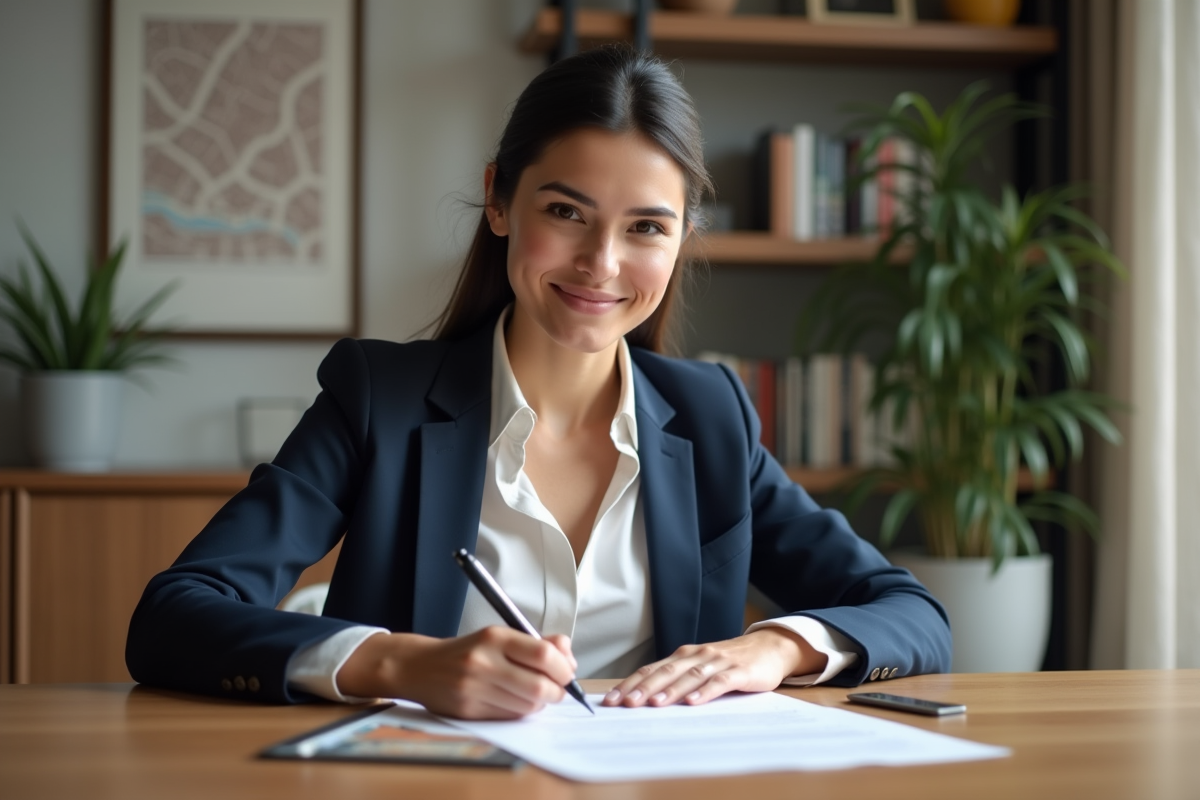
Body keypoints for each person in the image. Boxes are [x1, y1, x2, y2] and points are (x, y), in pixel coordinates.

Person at [126, 45, 951, 720]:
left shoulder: (712, 419)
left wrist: (772, 648)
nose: (601, 263)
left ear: (682, 239)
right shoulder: (379, 399)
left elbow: (911, 613)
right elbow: (174, 615)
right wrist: (399, 663)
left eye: (646, 228)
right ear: (498, 201)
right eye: (566, 213)